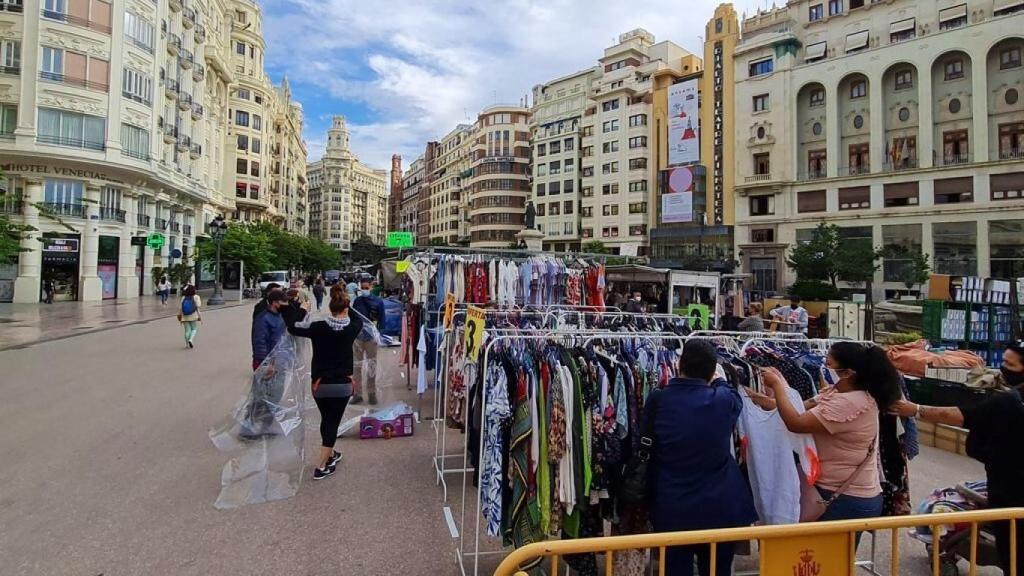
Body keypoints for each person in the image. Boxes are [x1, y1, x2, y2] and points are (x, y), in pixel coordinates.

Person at [891, 343, 1024, 575]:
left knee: (1014, 557)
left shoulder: (1009, 402)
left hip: (1010, 496)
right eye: (1003, 362)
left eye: (1010, 365)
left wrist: (915, 409)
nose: (1003, 369)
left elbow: (961, 416)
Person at [647, 339, 757, 575]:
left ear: (678, 365)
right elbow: (731, 392)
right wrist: (717, 377)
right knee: (717, 569)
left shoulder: (658, 400)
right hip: (719, 506)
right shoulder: (723, 400)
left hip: (672, 504)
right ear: (711, 370)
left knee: (675, 568)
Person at [761, 342, 901, 526]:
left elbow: (795, 423)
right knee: (830, 553)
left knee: (820, 553)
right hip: (847, 493)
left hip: (843, 497)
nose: (823, 368)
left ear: (848, 372)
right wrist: (754, 398)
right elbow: (799, 407)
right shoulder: (838, 392)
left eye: (829, 364)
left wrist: (777, 385)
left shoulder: (849, 403)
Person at [287, 285, 364, 480]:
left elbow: (292, 326)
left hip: (319, 384)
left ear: (330, 308)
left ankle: (330, 454)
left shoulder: (318, 327)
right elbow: (357, 317)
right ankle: (321, 466)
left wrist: (303, 309)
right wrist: (344, 297)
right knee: (332, 423)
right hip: (342, 384)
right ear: (345, 307)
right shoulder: (352, 328)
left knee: (327, 420)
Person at [352, 279, 385, 405]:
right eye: (363, 287)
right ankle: (357, 393)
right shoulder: (357, 301)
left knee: (372, 366)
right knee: (356, 367)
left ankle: (371, 393)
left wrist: (380, 335)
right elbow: (353, 317)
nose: (365, 289)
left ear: (371, 287)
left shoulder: (378, 301)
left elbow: (382, 319)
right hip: (358, 338)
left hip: (371, 338)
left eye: (367, 287)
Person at [251, 290, 287, 371]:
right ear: (274, 303)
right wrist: (265, 364)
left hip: (278, 360)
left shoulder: (279, 316)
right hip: (267, 363)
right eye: (283, 302)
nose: (286, 304)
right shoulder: (263, 319)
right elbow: (260, 342)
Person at [178, 284, 202, 348]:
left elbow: (180, 308)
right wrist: (200, 317)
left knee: (187, 330)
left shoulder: (183, 297)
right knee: (194, 329)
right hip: (193, 315)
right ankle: (191, 340)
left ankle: (186, 345)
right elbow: (198, 306)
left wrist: (180, 316)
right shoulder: (196, 297)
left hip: (185, 316)